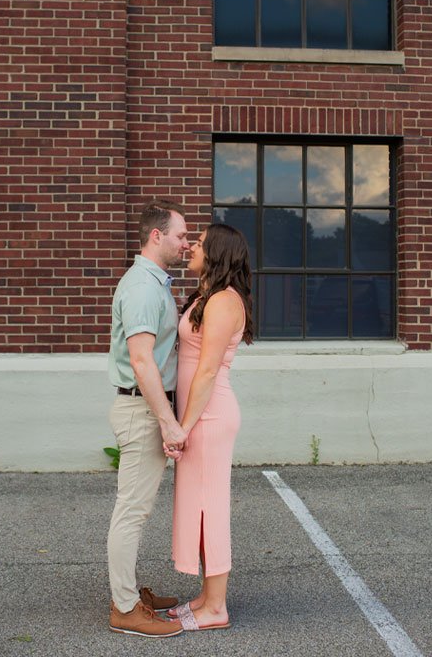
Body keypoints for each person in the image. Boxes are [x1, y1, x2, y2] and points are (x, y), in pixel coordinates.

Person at [107, 200, 189, 638]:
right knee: (132, 512)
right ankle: (124, 608)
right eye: (180, 235)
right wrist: (168, 421)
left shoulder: (153, 282)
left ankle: (128, 594)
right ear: (156, 236)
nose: (186, 243)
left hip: (145, 406)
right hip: (141, 408)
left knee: (136, 508)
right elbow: (142, 362)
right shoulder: (141, 286)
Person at [167, 223, 253, 632]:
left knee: (210, 510)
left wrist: (182, 427)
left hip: (209, 415)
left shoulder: (223, 302)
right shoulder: (208, 296)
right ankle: (206, 596)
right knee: (199, 506)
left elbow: (206, 373)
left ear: (217, 253)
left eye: (199, 244)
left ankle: (216, 607)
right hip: (198, 415)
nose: (191, 248)